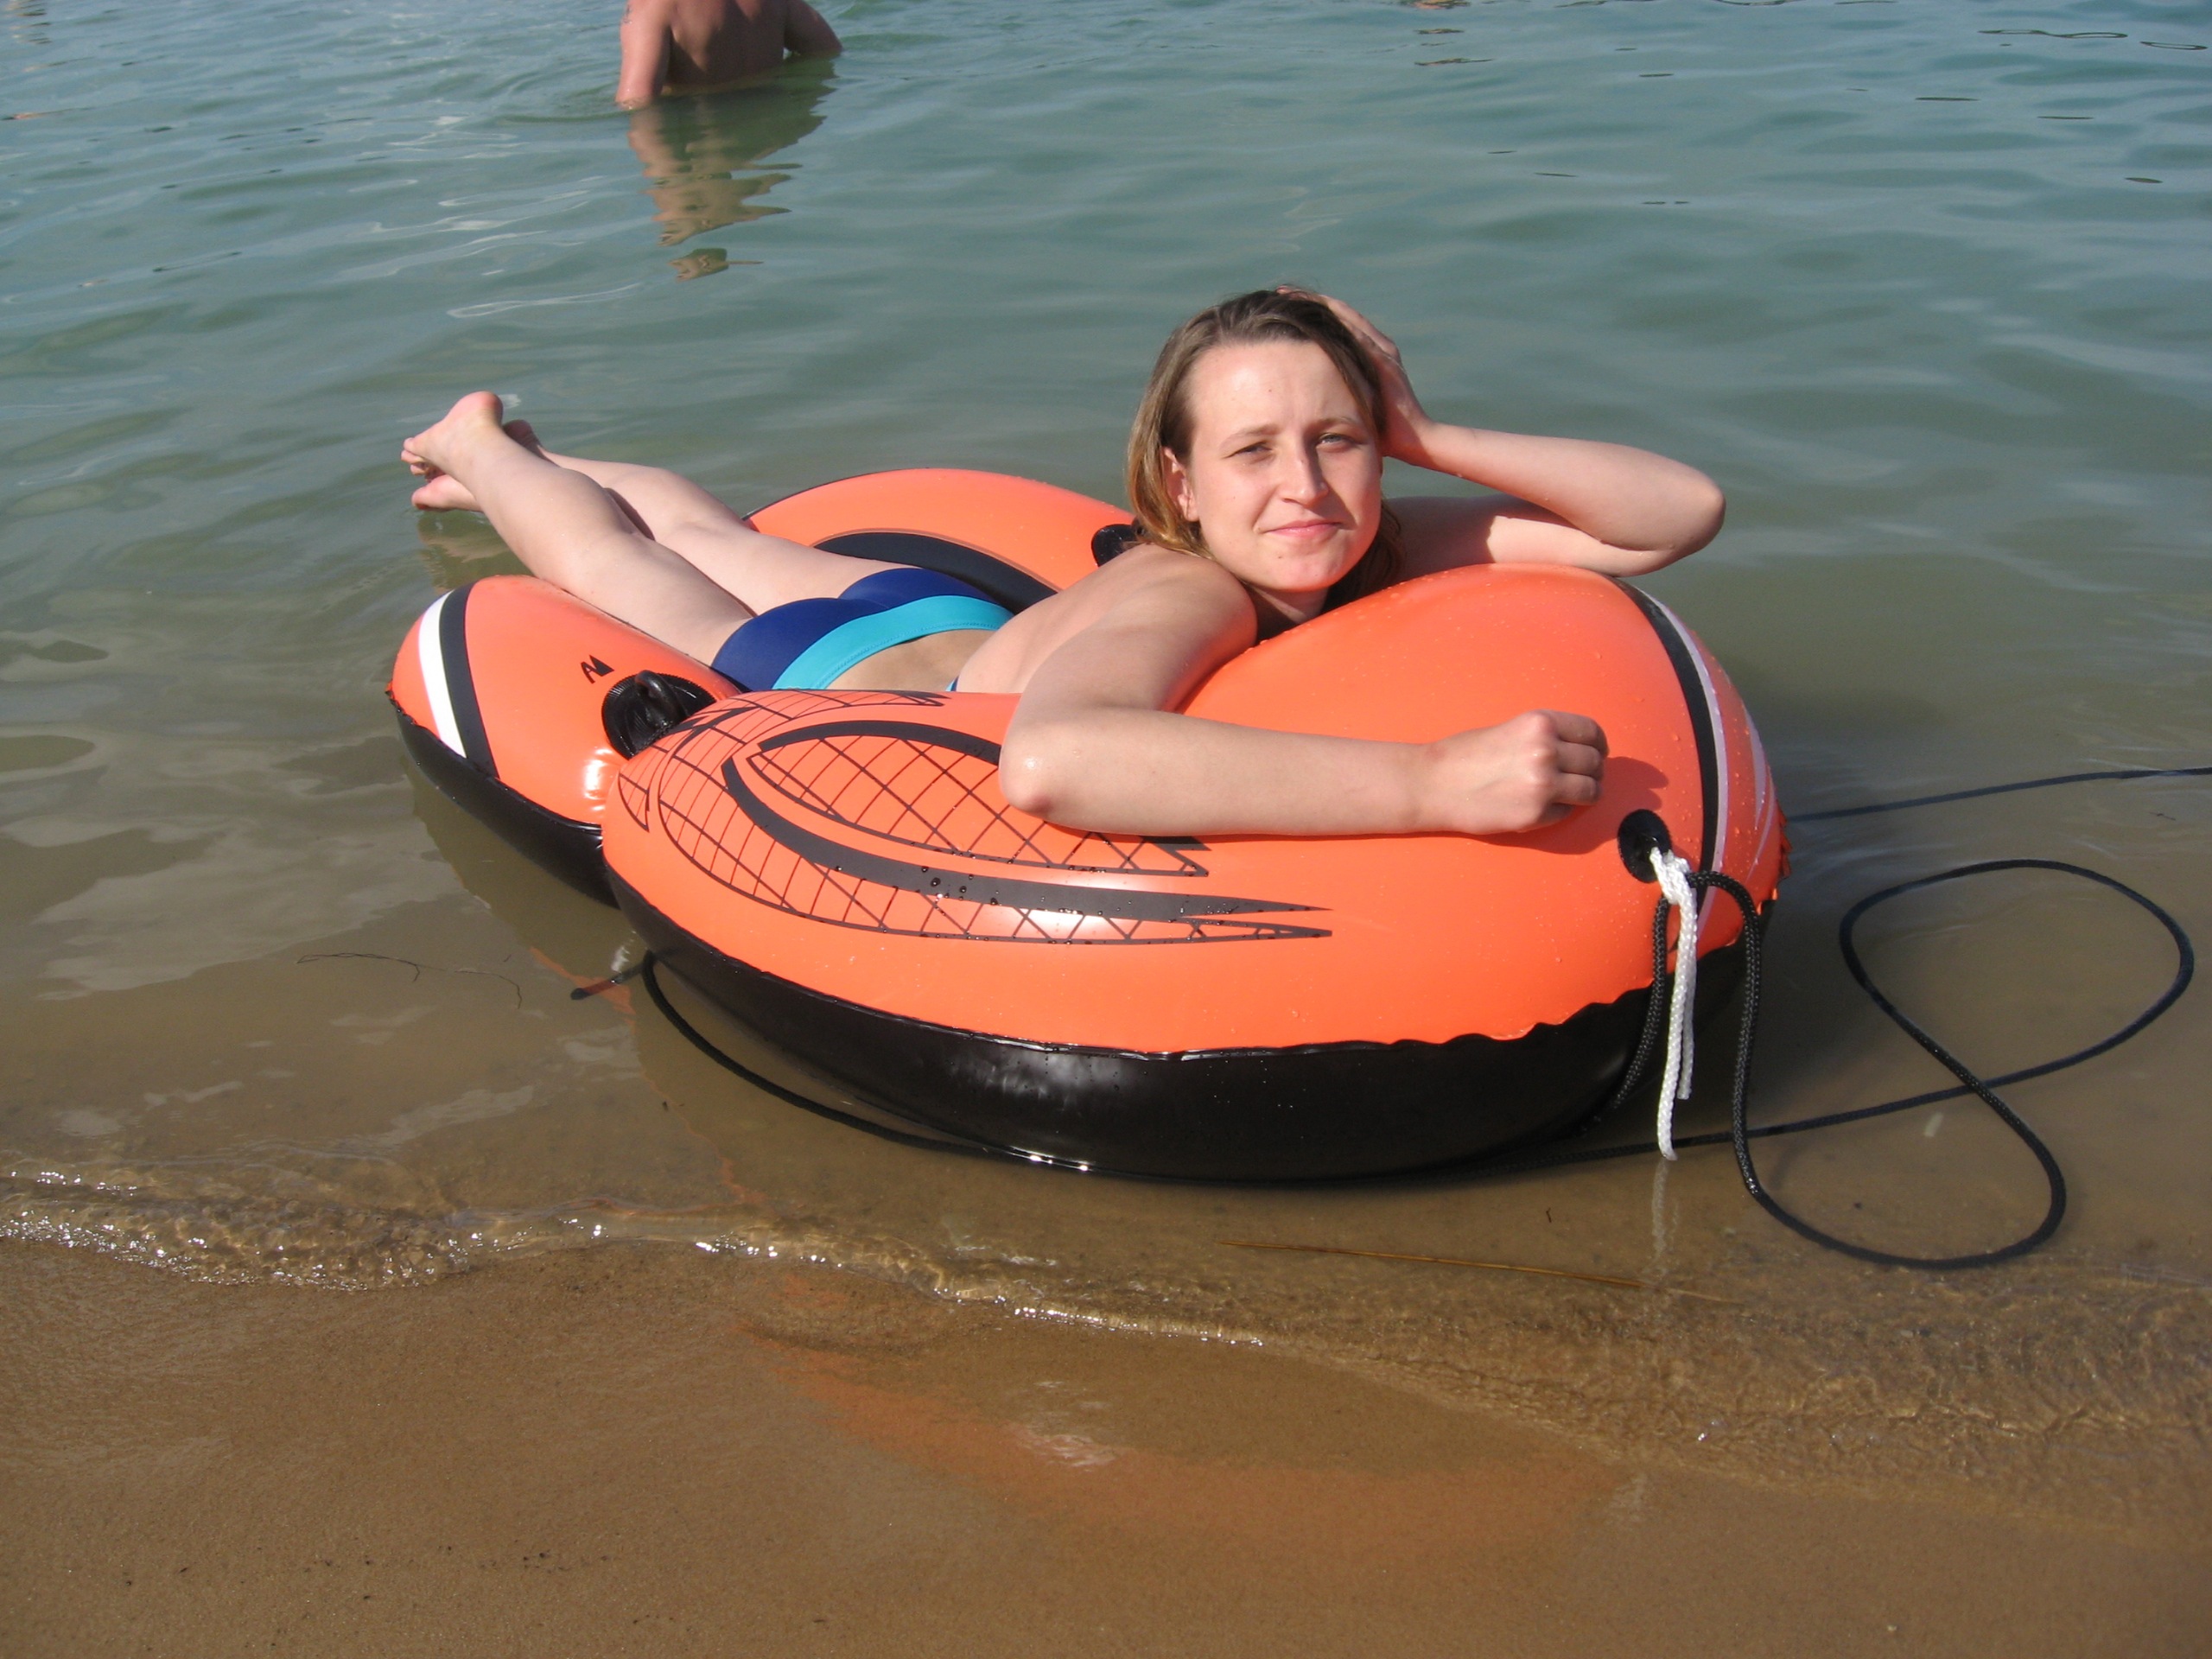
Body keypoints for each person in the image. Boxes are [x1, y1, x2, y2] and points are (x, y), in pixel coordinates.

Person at [400, 289, 1724, 838]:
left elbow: (1671, 515)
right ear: (1180, 485)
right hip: (844, 674)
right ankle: (480, 447)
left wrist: (1427, 432)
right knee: (618, 564)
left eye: (1338, 440)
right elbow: (1051, 760)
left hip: (956, 624)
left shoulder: (1356, 537)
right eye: (1253, 452)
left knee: (714, 537)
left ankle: (554, 454)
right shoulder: (1199, 585)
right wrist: (1430, 783)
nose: (1305, 487)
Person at [615, 0, 841, 110]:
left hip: (707, 146)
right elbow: (828, 51)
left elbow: (637, 103)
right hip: (772, 140)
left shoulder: (652, 6)